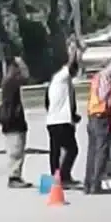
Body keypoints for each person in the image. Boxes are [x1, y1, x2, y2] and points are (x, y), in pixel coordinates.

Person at [84, 38, 111, 194]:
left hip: (92, 116)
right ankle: (96, 185)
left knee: (92, 151)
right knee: (102, 151)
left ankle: (88, 184)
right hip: (101, 117)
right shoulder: (105, 76)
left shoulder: (95, 79)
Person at [45, 40, 82, 189]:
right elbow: (71, 65)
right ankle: (61, 177)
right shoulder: (61, 77)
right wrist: (74, 50)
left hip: (55, 120)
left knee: (56, 150)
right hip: (60, 121)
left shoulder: (58, 82)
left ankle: (57, 177)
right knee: (72, 149)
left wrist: (73, 115)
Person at [0, 56, 32, 188]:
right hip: (14, 120)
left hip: (11, 120)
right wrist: (22, 63)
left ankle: (16, 176)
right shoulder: (11, 80)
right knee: (16, 150)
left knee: (15, 149)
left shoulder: (8, 80)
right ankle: (14, 177)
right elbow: (26, 76)